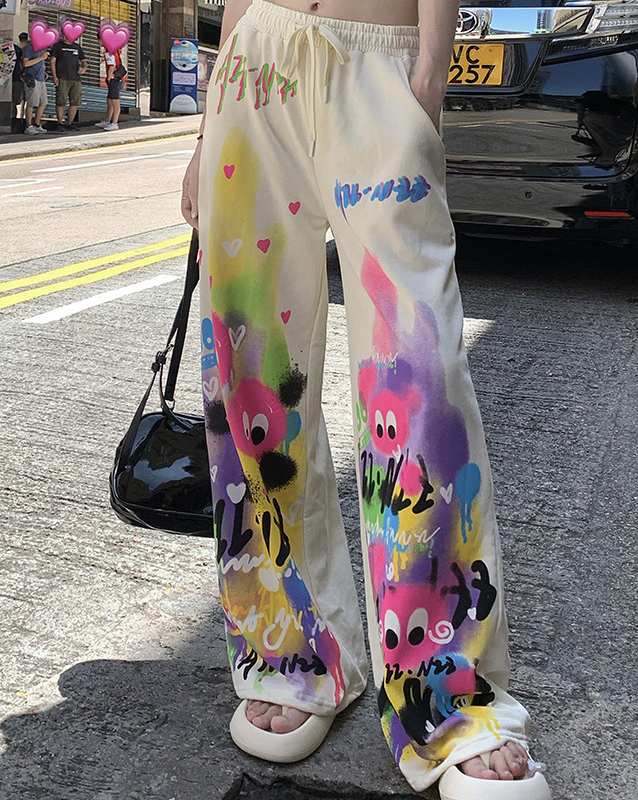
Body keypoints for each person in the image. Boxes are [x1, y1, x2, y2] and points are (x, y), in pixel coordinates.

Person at [181, 1, 552, 799]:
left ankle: (443, 689)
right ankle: (292, 649)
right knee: (251, 380)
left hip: (379, 64)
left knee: (419, 380)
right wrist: (208, 127)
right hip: (254, 68)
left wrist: (428, 76)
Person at [49, 32, 87, 131]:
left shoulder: (77, 47)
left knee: (75, 101)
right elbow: (52, 61)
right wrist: (54, 76)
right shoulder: (57, 46)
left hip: (75, 78)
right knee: (61, 101)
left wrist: (84, 67)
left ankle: (70, 122)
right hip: (62, 77)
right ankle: (60, 122)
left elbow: (83, 60)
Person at [21, 35, 49, 136]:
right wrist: (41, 57)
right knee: (31, 103)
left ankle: (37, 124)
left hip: (41, 78)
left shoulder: (42, 49)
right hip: (32, 78)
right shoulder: (29, 48)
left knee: (43, 102)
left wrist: (43, 72)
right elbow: (26, 63)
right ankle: (28, 125)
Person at [96, 34, 123, 131]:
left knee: (115, 101)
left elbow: (111, 66)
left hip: (114, 79)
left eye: (98, 40)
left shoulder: (109, 52)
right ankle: (108, 120)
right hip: (116, 78)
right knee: (110, 100)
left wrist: (108, 78)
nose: (98, 43)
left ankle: (114, 123)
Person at [12, 33, 28, 123]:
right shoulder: (16, 49)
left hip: (19, 77)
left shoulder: (21, 50)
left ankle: (17, 119)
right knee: (15, 101)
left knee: (18, 100)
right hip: (16, 77)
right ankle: (15, 119)